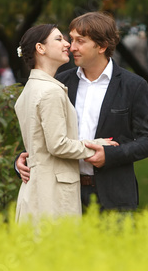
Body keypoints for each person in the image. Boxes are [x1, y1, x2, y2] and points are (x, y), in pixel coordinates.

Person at [16, 12, 148, 211]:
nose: (71, 46)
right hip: (64, 194)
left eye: (80, 41)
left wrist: (110, 155)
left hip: (114, 196)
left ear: (101, 46)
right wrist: (20, 161)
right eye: (71, 38)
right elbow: (39, 133)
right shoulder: (60, 84)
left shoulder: (133, 85)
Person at [13, 24, 114, 223]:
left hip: (35, 188)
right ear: (40, 48)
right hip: (51, 193)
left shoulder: (31, 88)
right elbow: (57, 144)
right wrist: (97, 147)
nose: (67, 44)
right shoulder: (50, 91)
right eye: (59, 39)